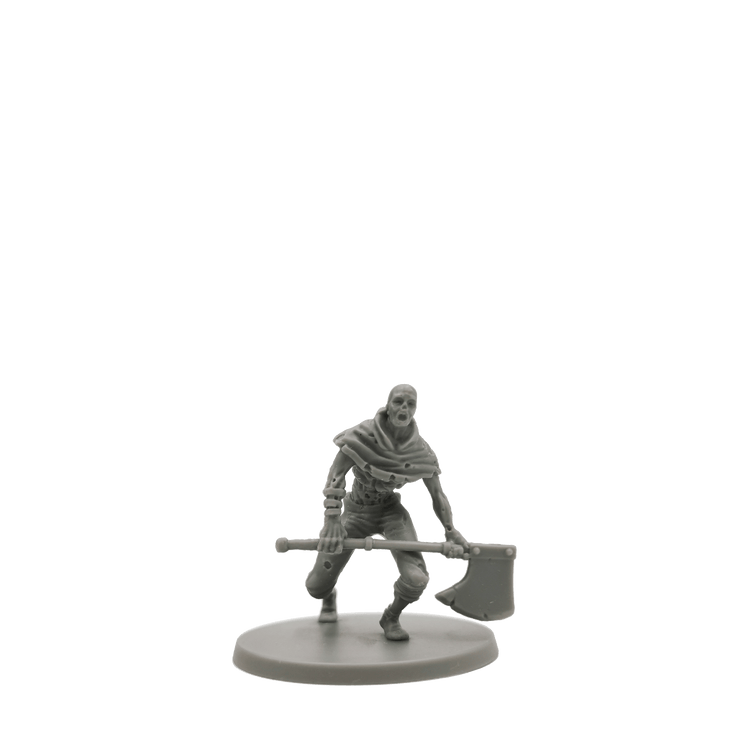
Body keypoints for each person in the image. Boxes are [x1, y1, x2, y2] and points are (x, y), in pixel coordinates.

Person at [305, 383, 469, 640]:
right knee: (316, 585)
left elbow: (437, 494)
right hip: (356, 511)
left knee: (416, 578)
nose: (404, 409)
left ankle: (391, 616)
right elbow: (335, 476)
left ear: (415, 409)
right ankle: (328, 597)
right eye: (398, 402)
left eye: (410, 404)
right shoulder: (362, 437)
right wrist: (332, 520)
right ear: (388, 405)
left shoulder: (419, 451)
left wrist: (450, 531)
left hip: (390, 513)